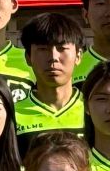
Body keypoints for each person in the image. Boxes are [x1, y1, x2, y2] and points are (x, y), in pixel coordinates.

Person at [14, 11, 88, 151]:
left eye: (62, 48)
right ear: (28, 57)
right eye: (43, 49)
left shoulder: (93, 110)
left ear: (78, 56)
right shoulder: (12, 114)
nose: (53, 57)